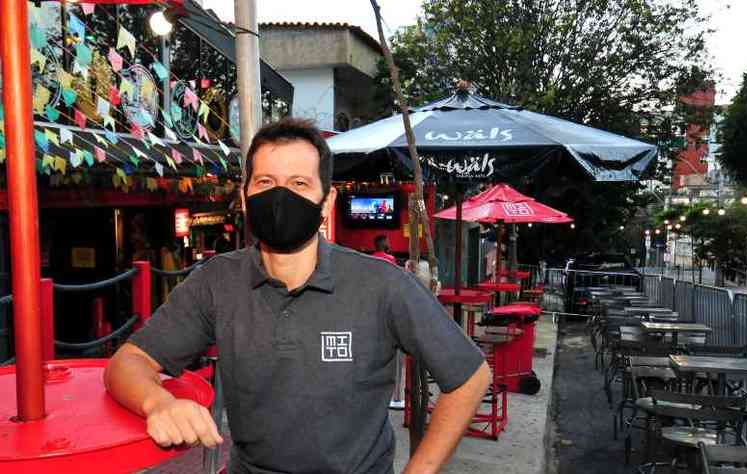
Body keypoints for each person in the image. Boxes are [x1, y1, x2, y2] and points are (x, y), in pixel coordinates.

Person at [104, 118, 490, 474]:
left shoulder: (382, 284)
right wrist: (160, 403)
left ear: (327, 202)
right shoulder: (218, 281)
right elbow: (128, 363)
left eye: (299, 184)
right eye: (266, 183)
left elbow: (470, 376)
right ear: (245, 196)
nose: (280, 197)